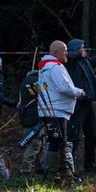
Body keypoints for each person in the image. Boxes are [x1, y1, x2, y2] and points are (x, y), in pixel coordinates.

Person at [34, 42, 83, 183]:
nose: (66, 53)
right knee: (57, 141)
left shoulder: (46, 67)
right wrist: (79, 92)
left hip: (53, 110)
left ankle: (64, 171)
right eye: (64, 51)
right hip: (56, 111)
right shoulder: (55, 67)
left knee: (60, 140)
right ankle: (53, 174)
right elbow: (64, 87)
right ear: (56, 52)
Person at [66, 38, 96, 174]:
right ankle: (68, 168)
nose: (84, 49)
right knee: (73, 136)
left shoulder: (86, 61)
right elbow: (69, 55)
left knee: (92, 135)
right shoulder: (70, 62)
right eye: (81, 47)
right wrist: (78, 53)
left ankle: (90, 166)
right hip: (77, 104)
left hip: (88, 103)